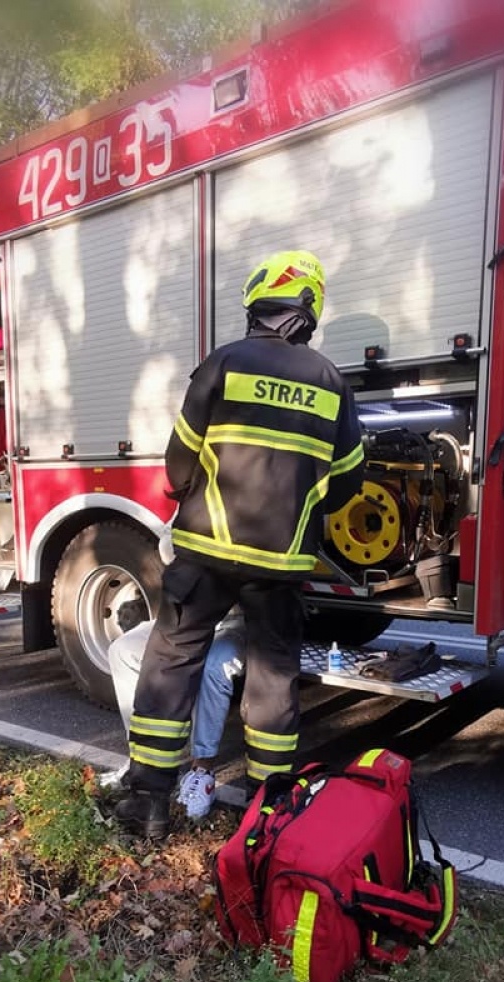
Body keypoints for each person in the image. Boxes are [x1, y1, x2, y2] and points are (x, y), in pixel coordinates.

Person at [113, 249, 365, 839]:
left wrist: (190, 492)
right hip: (281, 563)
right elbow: (349, 479)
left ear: (259, 301)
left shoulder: (224, 362)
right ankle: (269, 808)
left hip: (207, 550)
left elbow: (179, 461)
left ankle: (147, 800)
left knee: (173, 660)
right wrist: (301, 505)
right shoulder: (331, 381)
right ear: (308, 305)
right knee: (272, 673)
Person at [106, 610, 246, 817]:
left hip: (235, 618)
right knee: (124, 650)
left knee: (213, 665)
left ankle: (202, 772)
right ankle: (141, 760)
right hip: (186, 619)